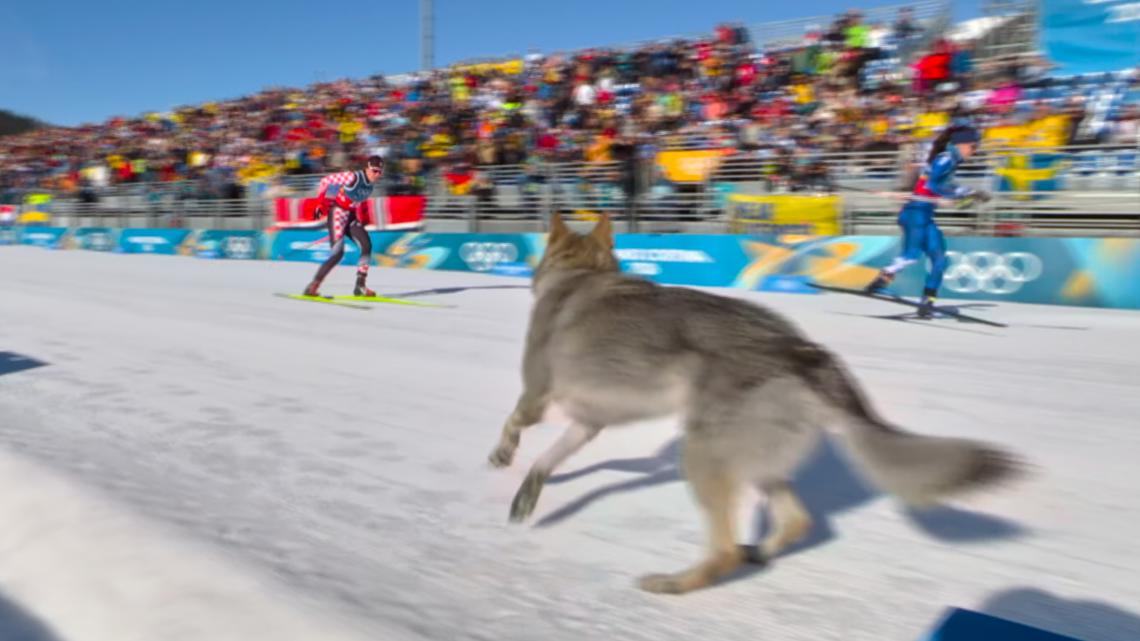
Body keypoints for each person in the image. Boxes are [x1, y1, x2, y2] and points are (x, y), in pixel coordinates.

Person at [864, 124, 990, 318]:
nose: (974, 152)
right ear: (960, 144)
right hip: (915, 213)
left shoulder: (950, 161)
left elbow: (943, 186)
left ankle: (927, 302)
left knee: (940, 259)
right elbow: (933, 185)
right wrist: (955, 194)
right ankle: (880, 281)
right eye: (973, 147)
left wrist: (969, 193)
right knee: (911, 256)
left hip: (925, 214)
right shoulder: (945, 159)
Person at [303, 156, 384, 297]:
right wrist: (320, 204)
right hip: (338, 214)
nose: (377, 174)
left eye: (380, 172)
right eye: (374, 171)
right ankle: (313, 286)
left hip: (351, 217)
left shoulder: (370, 183)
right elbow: (325, 181)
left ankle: (360, 286)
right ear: (367, 168)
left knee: (366, 245)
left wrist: (365, 218)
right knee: (337, 254)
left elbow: (359, 201)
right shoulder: (351, 177)